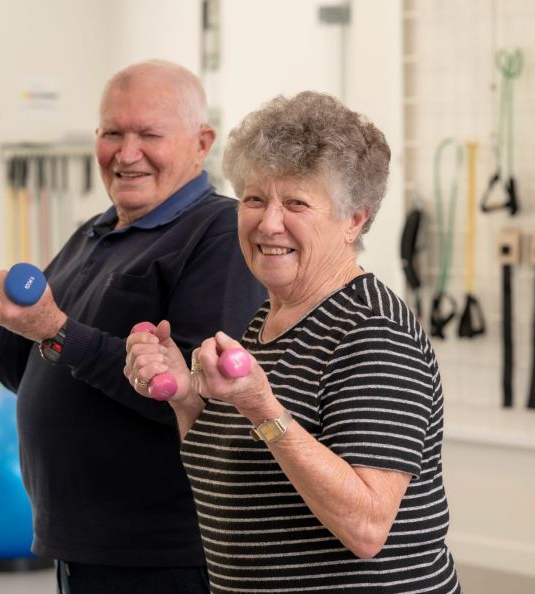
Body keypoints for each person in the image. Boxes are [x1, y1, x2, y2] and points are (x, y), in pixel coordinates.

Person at [0, 60, 267, 594]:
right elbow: (34, 369)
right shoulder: (96, 230)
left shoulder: (220, 233)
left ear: (202, 144)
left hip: (163, 554)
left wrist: (57, 329)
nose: (127, 154)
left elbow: (203, 397)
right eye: (112, 133)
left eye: (149, 134)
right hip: (79, 545)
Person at [125, 91, 461, 593]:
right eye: (255, 198)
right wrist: (187, 398)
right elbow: (235, 479)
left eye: (297, 203)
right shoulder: (268, 317)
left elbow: (367, 527)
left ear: (355, 220)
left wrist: (263, 407)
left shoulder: (373, 331)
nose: (268, 222)